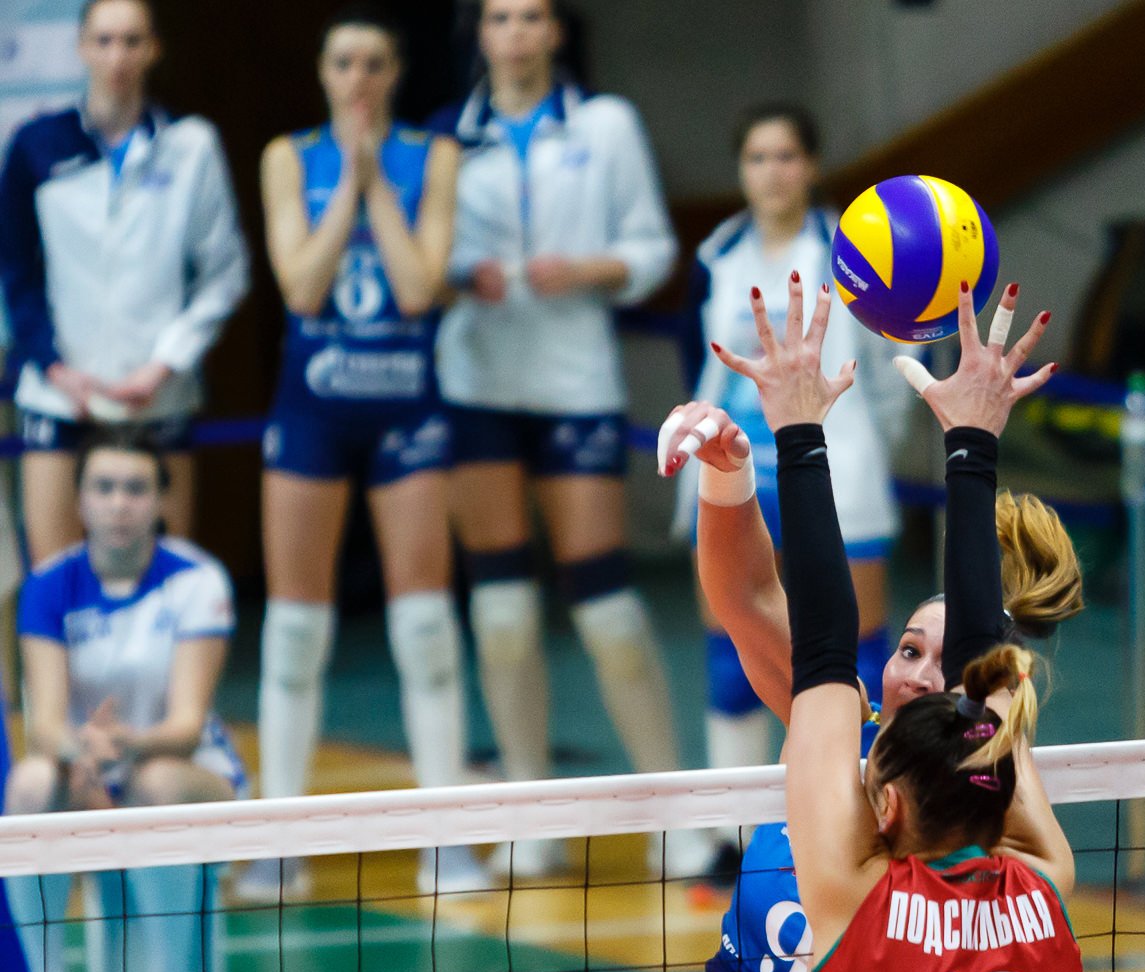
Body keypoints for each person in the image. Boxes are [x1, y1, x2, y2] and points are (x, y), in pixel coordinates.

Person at [599, 284, 1087, 972]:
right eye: (903, 648)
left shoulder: (976, 821)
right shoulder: (842, 745)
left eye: (938, 660)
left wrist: (920, 443)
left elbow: (933, 658)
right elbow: (748, 602)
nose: (911, 673)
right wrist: (731, 474)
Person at [433, 0, 701, 882]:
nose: (515, 32)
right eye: (499, 17)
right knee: (503, 614)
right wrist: (455, 276)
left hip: (577, 384)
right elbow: (418, 262)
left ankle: (677, 816)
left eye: (530, 16)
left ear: (555, 30)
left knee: (607, 608)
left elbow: (652, 249)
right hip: (477, 384)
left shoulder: (605, 125)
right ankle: (530, 818)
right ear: (479, 34)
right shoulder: (446, 138)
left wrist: (587, 269)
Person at [240, 4, 483, 902]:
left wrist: (378, 182)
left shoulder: (434, 156)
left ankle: (446, 843)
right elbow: (301, 287)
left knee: (425, 629)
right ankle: (279, 846)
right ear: (322, 72)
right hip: (313, 408)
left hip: (405, 410)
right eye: (343, 63)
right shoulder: (287, 157)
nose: (358, 79)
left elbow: (419, 289)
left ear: (395, 71)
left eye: (374, 63)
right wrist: (348, 180)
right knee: (294, 632)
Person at [675, 104, 908, 866]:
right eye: (757, 157)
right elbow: (698, 368)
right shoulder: (716, 258)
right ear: (740, 170)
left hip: (839, 476)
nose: (772, 172)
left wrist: (862, 446)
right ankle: (734, 839)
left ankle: (860, 821)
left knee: (858, 659)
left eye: (785, 156)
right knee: (734, 656)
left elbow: (887, 376)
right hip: (741, 477)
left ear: (811, 165)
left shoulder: (858, 256)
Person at [9, 430, 244, 972]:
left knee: (155, 782)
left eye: (136, 489)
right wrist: (81, 753)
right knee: (28, 784)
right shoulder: (49, 585)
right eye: (104, 487)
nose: (119, 504)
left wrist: (124, 747)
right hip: (90, 767)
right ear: (80, 501)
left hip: (189, 773)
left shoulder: (197, 580)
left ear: (161, 500)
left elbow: (187, 726)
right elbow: (43, 724)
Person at [0, 0, 247, 564]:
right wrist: (54, 367)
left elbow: (223, 272)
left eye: (132, 41)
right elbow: (16, 270)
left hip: (157, 394)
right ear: (82, 48)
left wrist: (164, 363)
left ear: (154, 49)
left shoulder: (191, 146)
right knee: (56, 579)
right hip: (60, 396)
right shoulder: (37, 144)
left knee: (164, 580)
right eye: (105, 41)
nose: (118, 57)